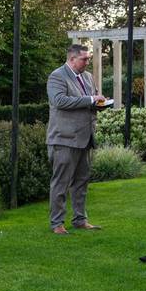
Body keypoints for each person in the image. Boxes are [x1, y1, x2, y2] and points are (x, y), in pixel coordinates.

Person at [46, 44, 108, 235]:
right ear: (72, 59)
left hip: (85, 137)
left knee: (81, 182)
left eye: (88, 58)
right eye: (84, 59)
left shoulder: (88, 77)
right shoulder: (57, 76)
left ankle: (80, 220)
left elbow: (91, 101)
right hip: (64, 139)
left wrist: (100, 104)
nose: (87, 62)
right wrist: (91, 99)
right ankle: (57, 223)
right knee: (61, 183)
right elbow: (60, 101)